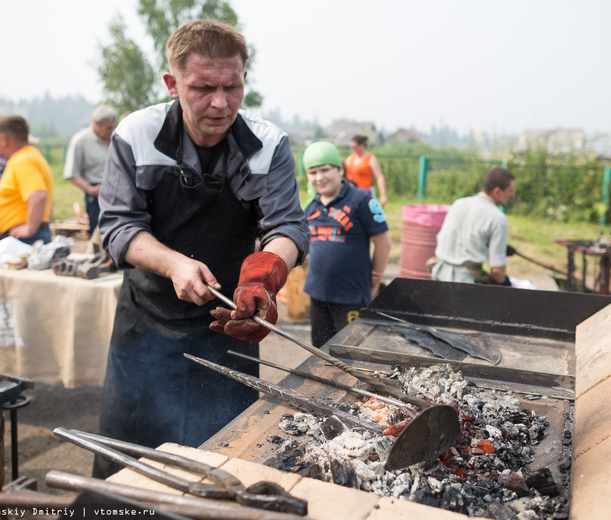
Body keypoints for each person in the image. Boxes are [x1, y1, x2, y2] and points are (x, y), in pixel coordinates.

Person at [96, 19, 308, 474]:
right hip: (147, 325)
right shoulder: (135, 134)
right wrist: (173, 264)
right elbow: (117, 225)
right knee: (132, 467)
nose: (220, 102)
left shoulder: (267, 145)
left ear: (243, 79)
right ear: (172, 83)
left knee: (222, 462)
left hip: (229, 320)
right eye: (202, 87)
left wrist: (264, 277)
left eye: (232, 87)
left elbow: (287, 226)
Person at [302, 141, 391, 347]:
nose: (320, 177)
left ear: (340, 170)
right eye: (313, 172)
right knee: (321, 352)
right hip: (318, 294)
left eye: (326, 170)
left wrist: (375, 280)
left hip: (351, 296)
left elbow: (384, 244)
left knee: (351, 353)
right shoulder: (311, 207)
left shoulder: (362, 201)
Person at [430, 167, 516, 286]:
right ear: (497, 191)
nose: (512, 195)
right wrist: (507, 284)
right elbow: (497, 272)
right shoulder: (498, 219)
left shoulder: (458, 203)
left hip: (438, 277)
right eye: (510, 191)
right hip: (466, 286)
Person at [0, 115, 53, 245]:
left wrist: (29, 228)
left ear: (4, 138)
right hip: (28, 236)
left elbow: (38, 195)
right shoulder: (27, 155)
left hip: (26, 239)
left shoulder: (23, 160)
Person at [64, 105, 118, 236]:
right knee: (99, 234)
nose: (112, 131)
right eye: (108, 128)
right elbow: (72, 173)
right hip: (96, 196)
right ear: (96, 124)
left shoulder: (116, 138)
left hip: (119, 193)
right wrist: (92, 190)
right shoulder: (81, 141)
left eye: (113, 127)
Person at [344, 134, 387, 207]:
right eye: (351, 147)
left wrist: (383, 195)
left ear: (362, 145)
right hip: (351, 192)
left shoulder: (371, 159)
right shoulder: (350, 159)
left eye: (355, 147)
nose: (352, 150)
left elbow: (379, 177)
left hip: (365, 192)